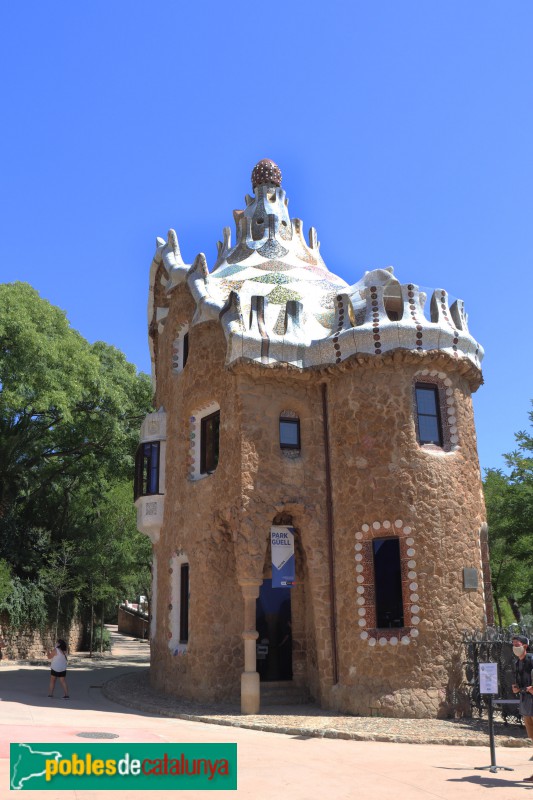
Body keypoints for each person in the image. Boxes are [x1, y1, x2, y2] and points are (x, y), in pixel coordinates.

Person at [511, 635, 533, 782]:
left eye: (517, 644)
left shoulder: (532, 660)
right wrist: (516, 689)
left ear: (525, 646)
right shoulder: (517, 662)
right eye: (513, 644)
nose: (514, 647)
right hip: (526, 703)